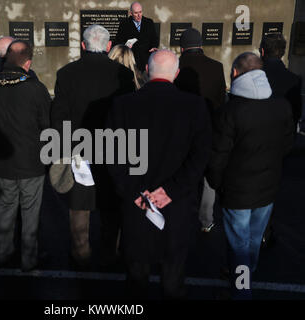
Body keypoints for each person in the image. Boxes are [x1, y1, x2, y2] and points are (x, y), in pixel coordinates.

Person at [107, 49, 212, 299]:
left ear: (145, 70)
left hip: (137, 204)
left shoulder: (122, 105)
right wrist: (171, 190)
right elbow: (200, 157)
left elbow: (111, 155)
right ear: (175, 74)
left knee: (136, 278)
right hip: (177, 205)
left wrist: (134, 192)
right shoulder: (196, 106)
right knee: (173, 278)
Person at [206, 52, 294, 299]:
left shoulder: (228, 112)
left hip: (237, 193)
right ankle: (245, 273)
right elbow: (287, 146)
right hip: (268, 188)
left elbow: (217, 158)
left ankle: (242, 289)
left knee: (239, 245)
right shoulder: (282, 106)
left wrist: (217, 184)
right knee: (253, 240)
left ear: (234, 74)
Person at [52, 24, 135, 268]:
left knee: (80, 206)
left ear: (82, 45)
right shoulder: (123, 74)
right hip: (113, 150)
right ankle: (111, 253)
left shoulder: (66, 73)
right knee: (112, 207)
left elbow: (59, 117)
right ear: (109, 46)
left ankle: (81, 253)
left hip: (79, 151)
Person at [0, 40, 51, 271]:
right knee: (30, 213)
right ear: (27, 63)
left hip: (1, 161)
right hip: (31, 162)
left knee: (5, 210)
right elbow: (47, 126)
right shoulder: (36, 88)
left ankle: (3, 252)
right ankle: (29, 258)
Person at [174, 27, 227, 233]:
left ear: (181, 47)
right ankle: (205, 220)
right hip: (209, 128)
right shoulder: (216, 67)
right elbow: (221, 100)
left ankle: (182, 216)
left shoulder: (175, 65)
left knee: (183, 173)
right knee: (207, 178)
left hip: (181, 131)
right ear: (201, 44)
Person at [260, 33, 302, 130]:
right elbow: (296, 114)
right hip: (283, 138)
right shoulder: (294, 80)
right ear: (282, 52)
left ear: (262, 51)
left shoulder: (251, 76)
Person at [114, 2, 159, 72]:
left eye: (140, 12)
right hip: (130, 60)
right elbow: (118, 41)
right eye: (136, 13)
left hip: (145, 60)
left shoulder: (149, 22)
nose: (139, 15)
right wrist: (126, 45)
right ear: (131, 13)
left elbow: (154, 38)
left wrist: (154, 46)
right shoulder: (124, 24)